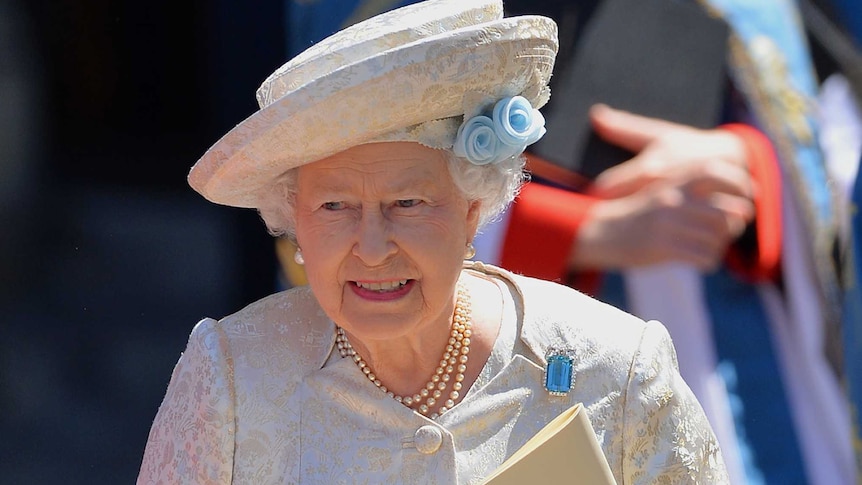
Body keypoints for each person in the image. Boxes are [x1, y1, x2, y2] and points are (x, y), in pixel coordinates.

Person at [136, 0, 729, 483]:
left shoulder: (616, 368)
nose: (371, 247)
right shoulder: (230, 383)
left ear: (473, 208)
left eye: (408, 204)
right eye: (334, 206)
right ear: (293, 219)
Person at [475, 1, 858, 484]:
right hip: (543, 356)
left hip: (749, 353)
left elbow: (834, 135)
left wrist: (752, 168)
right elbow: (377, 182)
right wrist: (572, 230)